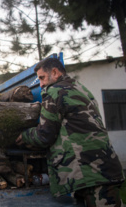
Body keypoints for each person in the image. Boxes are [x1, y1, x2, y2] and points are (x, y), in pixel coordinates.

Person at [16, 58, 125, 206]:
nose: (40, 84)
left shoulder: (54, 92)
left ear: (54, 72)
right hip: (104, 167)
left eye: (42, 78)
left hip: (89, 173)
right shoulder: (81, 88)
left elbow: (44, 136)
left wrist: (25, 135)